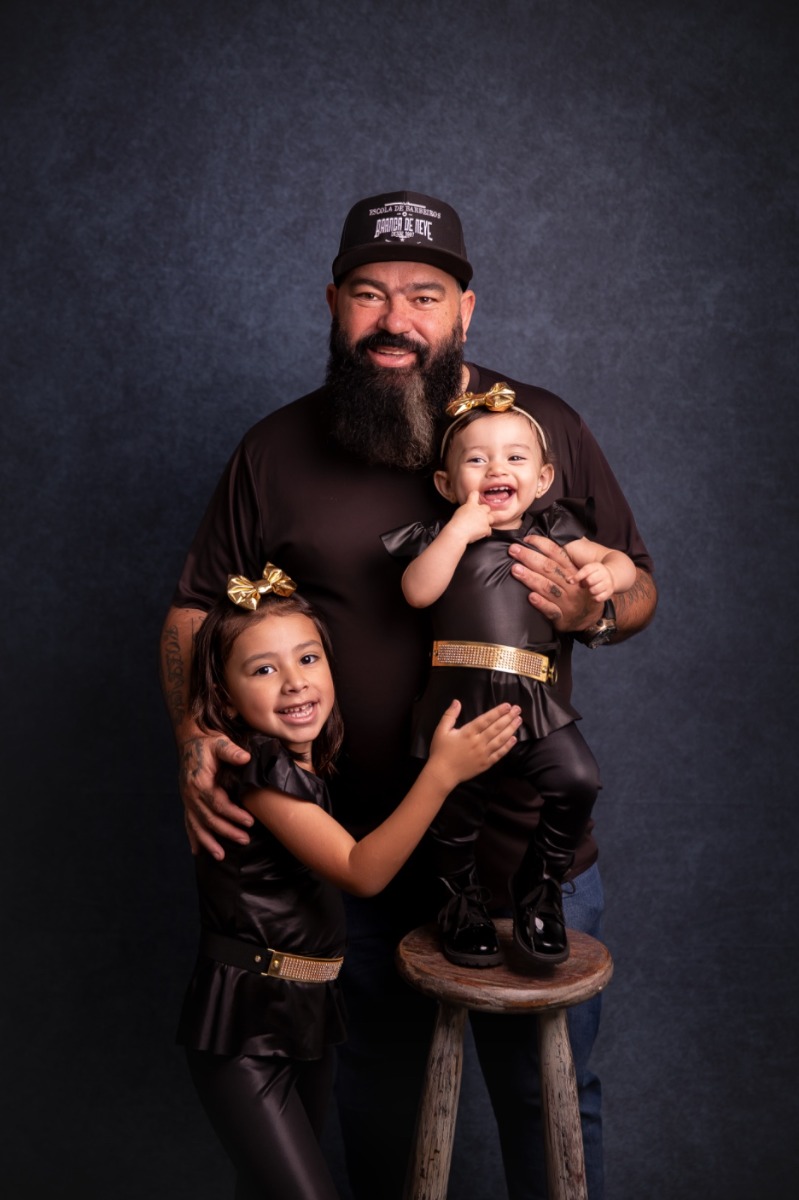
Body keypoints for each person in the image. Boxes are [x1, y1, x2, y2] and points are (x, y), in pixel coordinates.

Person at [160, 189, 657, 1200]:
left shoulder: (540, 428)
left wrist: (597, 608)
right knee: (377, 1106)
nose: (395, 320)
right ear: (332, 302)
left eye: (423, 295)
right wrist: (190, 733)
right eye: (369, 293)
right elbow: (194, 611)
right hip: (356, 860)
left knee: (548, 1104)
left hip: (520, 854)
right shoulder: (275, 451)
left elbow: (636, 582)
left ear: (465, 310)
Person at [177, 565, 521, 1200]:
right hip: (245, 1027)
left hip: (304, 1011)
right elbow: (362, 872)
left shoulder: (304, 765)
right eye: (263, 669)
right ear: (224, 698)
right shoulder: (258, 772)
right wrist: (442, 774)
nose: (295, 681)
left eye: (308, 658)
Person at [382, 393, 636, 968]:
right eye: (477, 460)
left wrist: (605, 575)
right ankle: (460, 900)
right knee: (455, 808)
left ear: (543, 479)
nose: (497, 468)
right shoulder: (440, 535)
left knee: (577, 779)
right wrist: (458, 531)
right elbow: (417, 591)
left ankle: (539, 884)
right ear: (447, 483)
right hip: (461, 702)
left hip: (532, 699)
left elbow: (625, 563)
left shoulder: (556, 529)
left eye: (515, 458)